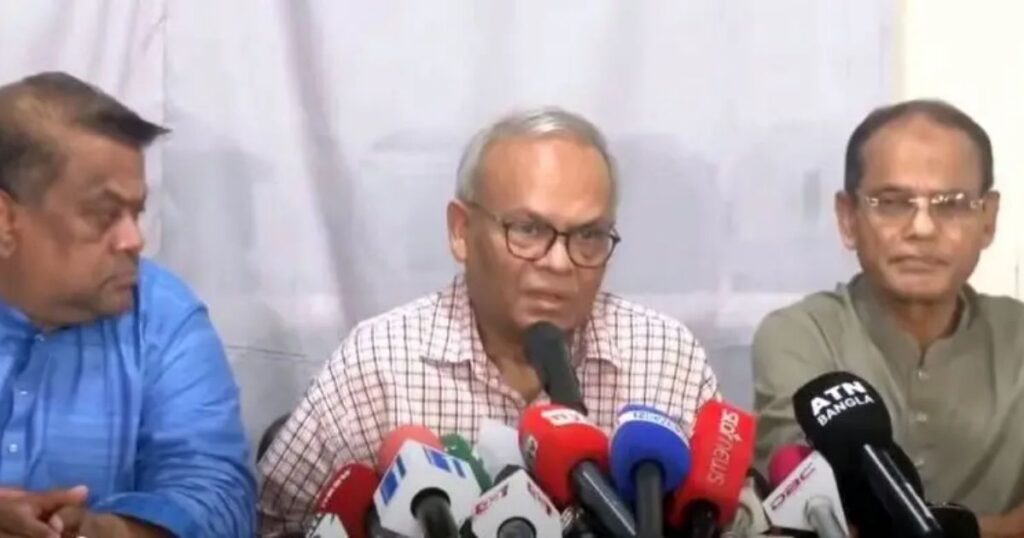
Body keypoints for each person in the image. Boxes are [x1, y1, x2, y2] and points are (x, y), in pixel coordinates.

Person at [258, 107, 721, 535]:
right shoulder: (377, 366)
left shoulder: (667, 361)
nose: (560, 263)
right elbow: (276, 525)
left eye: (588, 235)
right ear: (461, 231)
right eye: (528, 230)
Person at [752, 99, 1024, 536]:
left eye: (951, 204)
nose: (923, 229)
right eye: (893, 203)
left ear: (987, 219)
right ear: (848, 218)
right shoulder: (801, 335)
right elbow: (818, 512)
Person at [0, 72, 255, 537]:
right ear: (5, 220)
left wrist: (106, 532)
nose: (133, 239)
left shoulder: (163, 317)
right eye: (104, 215)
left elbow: (218, 494)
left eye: (135, 213)